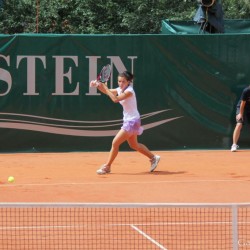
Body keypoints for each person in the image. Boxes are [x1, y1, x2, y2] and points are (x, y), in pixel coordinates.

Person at [89, 71, 160, 174]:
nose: (120, 83)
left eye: (123, 81)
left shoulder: (129, 91)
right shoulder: (120, 89)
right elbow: (107, 91)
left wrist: (104, 87)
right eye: (119, 81)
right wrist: (97, 85)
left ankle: (107, 166)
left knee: (115, 142)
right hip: (132, 120)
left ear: (128, 82)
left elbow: (115, 99)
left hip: (132, 121)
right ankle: (153, 158)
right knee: (134, 145)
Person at [231, 85, 250, 152]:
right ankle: (234, 145)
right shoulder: (246, 90)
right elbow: (242, 103)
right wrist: (240, 114)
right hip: (241, 108)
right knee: (239, 124)